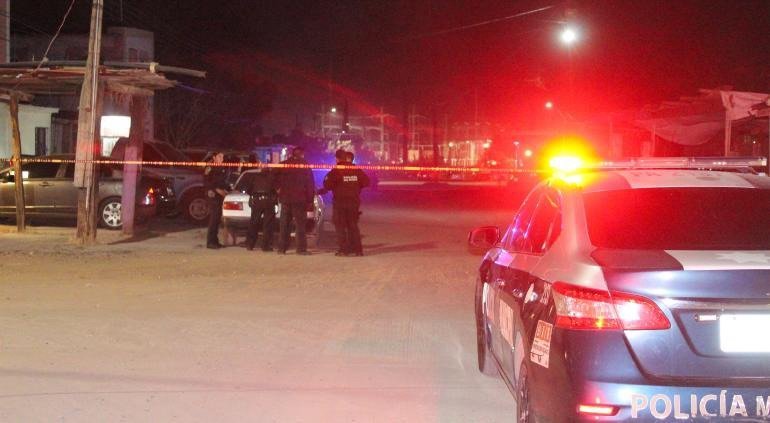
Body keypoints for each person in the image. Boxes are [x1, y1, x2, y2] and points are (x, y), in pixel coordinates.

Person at [321, 149, 370, 256]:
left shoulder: (336, 171)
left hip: (340, 203)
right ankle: (358, 250)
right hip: (353, 202)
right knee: (353, 225)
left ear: (337, 159)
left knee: (340, 226)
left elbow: (327, 185)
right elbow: (367, 182)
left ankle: (344, 250)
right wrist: (356, 187)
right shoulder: (356, 170)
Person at [275, 146, 315, 255]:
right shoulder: (305, 165)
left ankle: (282, 249)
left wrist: (277, 189)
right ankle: (301, 249)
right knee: (300, 225)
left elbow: (273, 176)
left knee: (284, 224)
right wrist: (310, 200)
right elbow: (310, 184)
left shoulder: (283, 164)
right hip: (299, 199)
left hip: (285, 199)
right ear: (301, 154)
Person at [245, 161, 277, 252]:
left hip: (257, 201)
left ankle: (250, 245)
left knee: (254, 222)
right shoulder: (273, 177)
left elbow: (248, 189)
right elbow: (276, 190)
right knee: (268, 224)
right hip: (269, 201)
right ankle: (265, 246)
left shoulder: (255, 177)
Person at [204, 152, 229, 249]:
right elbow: (207, 182)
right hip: (213, 195)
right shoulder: (210, 167)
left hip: (219, 196)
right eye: (219, 156)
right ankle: (210, 242)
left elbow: (222, 183)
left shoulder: (221, 168)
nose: (222, 158)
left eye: (222, 156)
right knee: (214, 219)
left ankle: (215, 241)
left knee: (217, 219)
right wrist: (217, 190)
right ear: (214, 157)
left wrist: (229, 189)